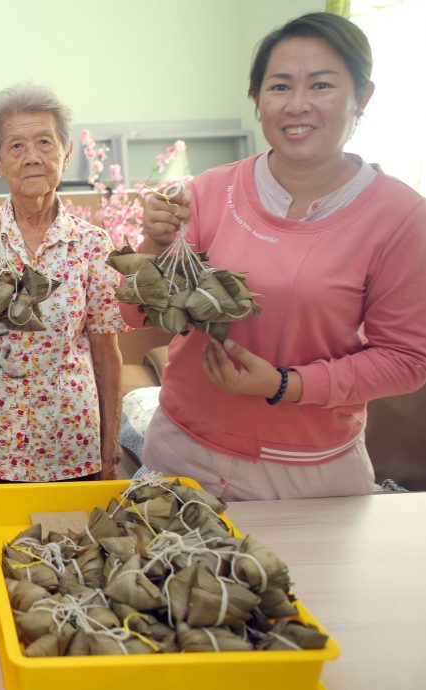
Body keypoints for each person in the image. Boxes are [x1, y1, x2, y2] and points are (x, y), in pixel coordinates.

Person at [137, 12, 426, 501]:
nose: (298, 106)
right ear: (256, 100)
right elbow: (136, 316)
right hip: (181, 455)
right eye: (279, 87)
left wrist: (285, 384)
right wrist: (155, 249)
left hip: (311, 476)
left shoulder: (400, 216)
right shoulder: (208, 191)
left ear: (363, 96)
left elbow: (406, 360)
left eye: (321, 85)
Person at [0, 84, 125, 512]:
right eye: (16, 145)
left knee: (62, 569)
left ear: (66, 154)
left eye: (44, 142)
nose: (32, 156)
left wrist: (109, 447)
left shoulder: (92, 244)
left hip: (68, 450)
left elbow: (107, 351)